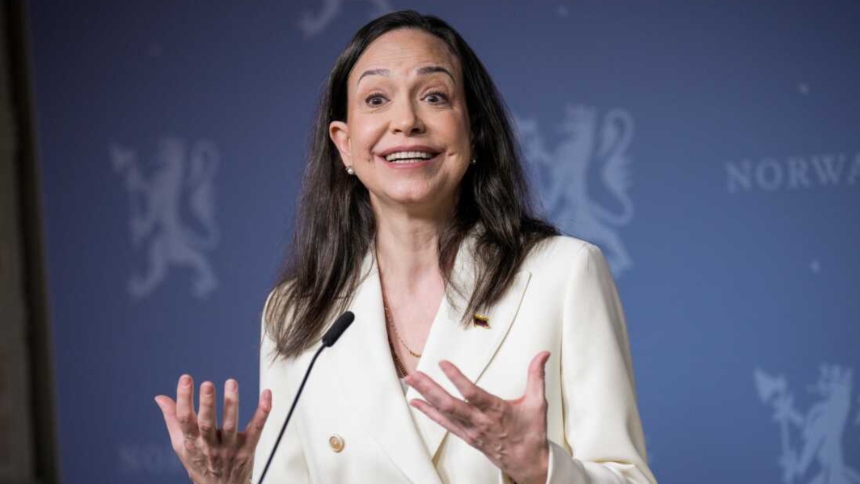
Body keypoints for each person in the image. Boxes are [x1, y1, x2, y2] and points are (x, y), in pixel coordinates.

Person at [155, 10, 657, 484]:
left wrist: (542, 468)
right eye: (376, 100)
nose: (406, 121)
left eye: (434, 96)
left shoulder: (563, 274)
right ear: (344, 144)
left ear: (475, 132)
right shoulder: (296, 312)